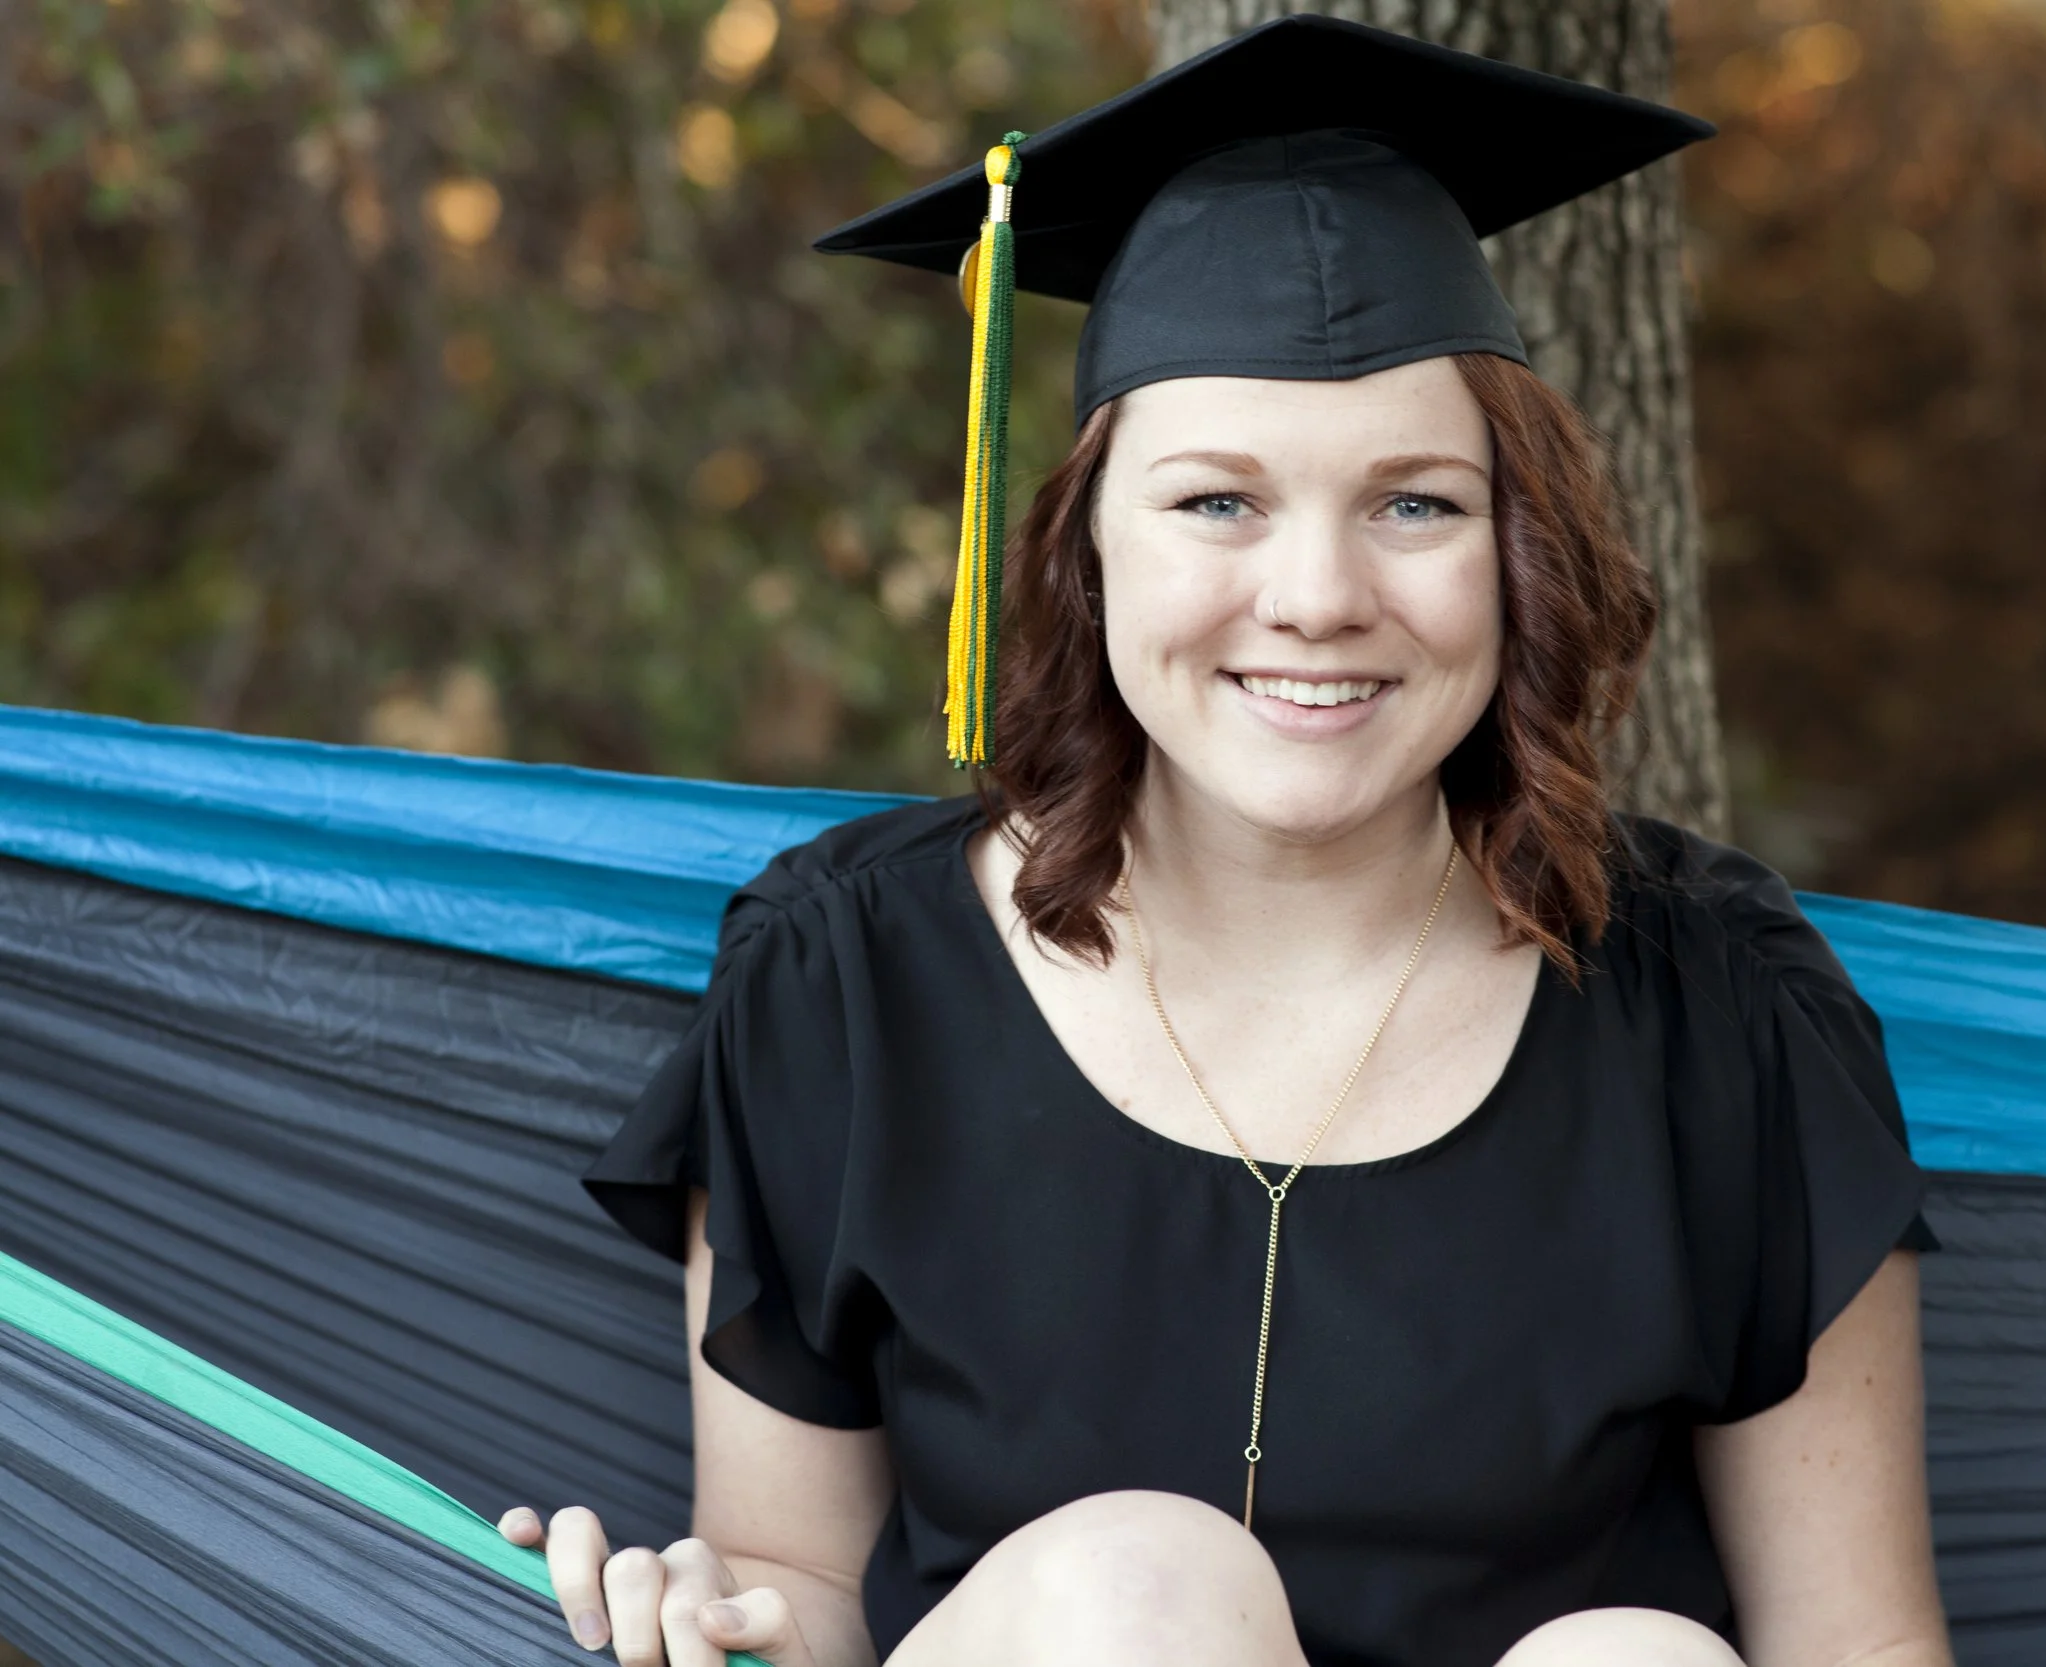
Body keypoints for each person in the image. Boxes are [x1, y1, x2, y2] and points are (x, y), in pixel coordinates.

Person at [499, 17, 1950, 1667]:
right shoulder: (849, 982)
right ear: (1082, 550)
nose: (1320, 597)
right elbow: (796, 1581)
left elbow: (1860, 1645)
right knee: (1140, 1591)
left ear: (1519, 551)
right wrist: (707, 1616)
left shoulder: (1717, 1016)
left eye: (1416, 502)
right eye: (1218, 501)